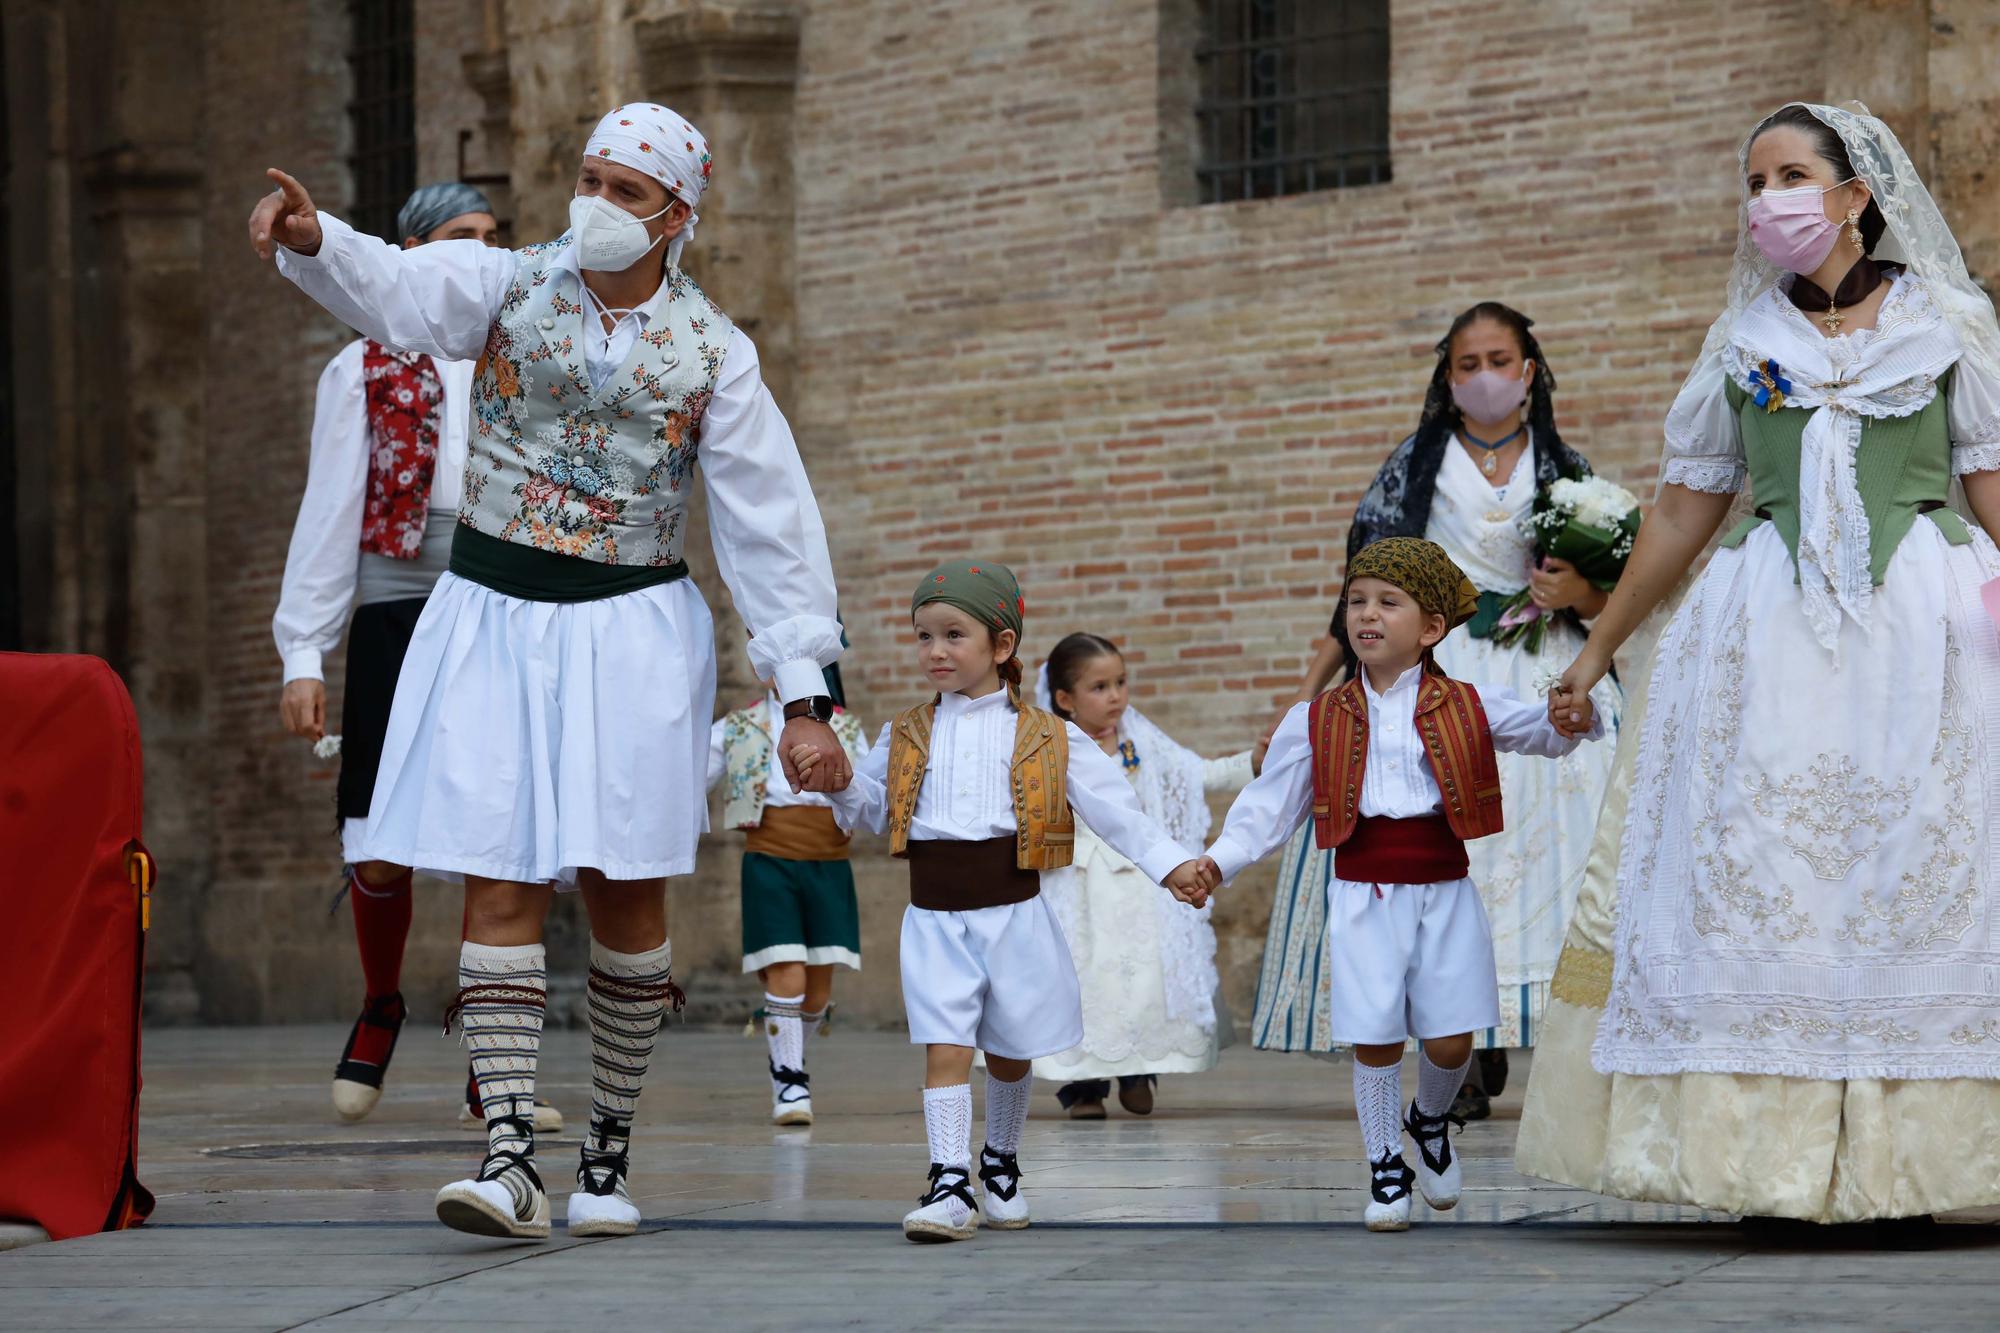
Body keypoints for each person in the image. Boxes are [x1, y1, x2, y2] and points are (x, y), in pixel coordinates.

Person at [248, 104, 852, 1241]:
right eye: (588, 178)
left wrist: (804, 691)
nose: (597, 206)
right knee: (494, 870)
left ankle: (607, 1157)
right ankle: (510, 1154)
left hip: (629, 628)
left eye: (627, 192)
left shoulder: (715, 351)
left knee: (625, 885)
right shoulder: (507, 282)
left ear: (678, 215)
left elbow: (769, 527)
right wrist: (312, 235)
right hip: (488, 614)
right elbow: (397, 289)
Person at [1530, 102, 2000, 1223]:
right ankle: (1762, 1166)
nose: (1765, 200)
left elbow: (1987, 483)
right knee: (1767, 871)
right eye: (1752, 181)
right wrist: (1597, 647)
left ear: (1852, 196)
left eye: (1789, 174)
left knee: (1915, 873)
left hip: (1924, 631)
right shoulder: (1743, 341)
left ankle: (1918, 1172)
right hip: (1760, 633)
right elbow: (1683, 513)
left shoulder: (1944, 323)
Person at [1251, 304, 1622, 1119]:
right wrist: (1310, 695)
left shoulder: (1566, 468)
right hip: (1432, 671)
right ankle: (1455, 1048)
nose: (1484, 374)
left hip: (1540, 671)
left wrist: (1578, 594)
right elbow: (1361, 587)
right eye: (1466, 363)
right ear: (1446, 377)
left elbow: (1612, 593)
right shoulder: (1412, 466)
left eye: (1499, 358)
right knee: (1440, 861)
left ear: (1530, 370)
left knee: (1563, 863)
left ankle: (1570, 1050)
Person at [792, 561, 1209, 1243]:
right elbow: (868, 810)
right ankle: (950, 1179)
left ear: (1003, 644)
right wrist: (839, 781)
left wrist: (1171, 867)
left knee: (1012, 1049)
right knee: (946, 1044)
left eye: (954, 634)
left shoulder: (1049, 733)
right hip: (934, 917)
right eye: (923, 635)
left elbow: (1118, 811)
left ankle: (1001, 1160)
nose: (935, 650)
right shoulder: (904, 733)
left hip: (1015, 912)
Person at [1195, 538, 1602, 1231]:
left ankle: (1430, 1118)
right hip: (1362, 892)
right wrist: (1218, 861)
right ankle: (1386, 1162)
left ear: (1432, 627)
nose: (1367, 615)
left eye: (1389, 602)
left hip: (1443, 888)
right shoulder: (1314, 718)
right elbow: (1269, 808)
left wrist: (1571, 717)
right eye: (1356, 602)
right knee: (1376, 1034)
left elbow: (1543, 730)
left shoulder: (1468, 702)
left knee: (1451, 1040)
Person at [273, 182, 554, 1133]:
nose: (482, 257)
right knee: (383, 838)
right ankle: (382, 998)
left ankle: (494, 1054)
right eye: (459, 241)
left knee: (498, 828)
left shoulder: (535, 352)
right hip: (398, 600)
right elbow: (328, 508)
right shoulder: (362, 367)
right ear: (410, 255)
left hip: (502, 599)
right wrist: (302, 651)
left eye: (493, 240)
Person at [1029, 633, 1260, 1119]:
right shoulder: (1048, 746)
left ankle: (1138, 1071)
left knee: (1139, 983)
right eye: (1099, 687)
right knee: (1085, 982)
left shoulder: (1138, 739)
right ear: (1064, 699)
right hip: (1076, 884)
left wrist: (1253, 765)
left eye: (1120, 683)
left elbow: (1195, 774)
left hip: (1135, 884)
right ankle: (1084, 1088)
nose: (1115, 696)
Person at [705, 671, 870, 1126]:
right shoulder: (740, 725)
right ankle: (790, 1078)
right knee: (785, 967)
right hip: (770, 858)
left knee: (817, 991)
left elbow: (872, 790)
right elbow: (691, 775)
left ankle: (790, 1052)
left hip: (829, 863)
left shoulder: (846, 726)